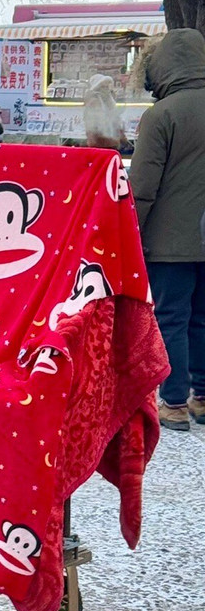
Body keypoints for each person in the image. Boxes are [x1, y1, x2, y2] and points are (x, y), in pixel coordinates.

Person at [130, 29, 205, 431]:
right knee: (203, 318)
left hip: (171, 243)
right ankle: (202, 398)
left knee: (172, 318)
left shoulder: (162, 114)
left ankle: (173, 402)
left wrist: (132, 234)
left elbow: (142, 186)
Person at [83, 73, 127, 151]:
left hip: (111, 142)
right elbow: (94, 127)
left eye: (107, 87)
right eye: (103, 86)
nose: (106, 89)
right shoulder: (94, 102)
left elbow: (115, 120)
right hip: (100, 144)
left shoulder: (108, 101)